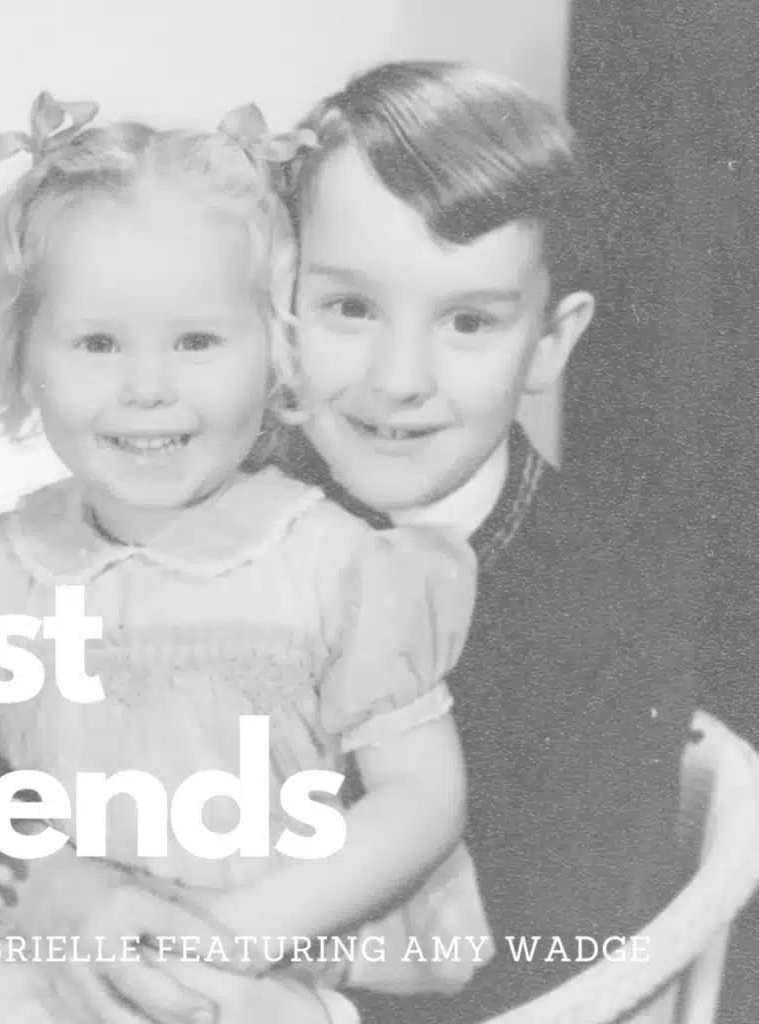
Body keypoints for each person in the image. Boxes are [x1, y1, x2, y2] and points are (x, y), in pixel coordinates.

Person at [0, 93, 493, 1024]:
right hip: (44, 943)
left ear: (277, 351)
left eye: (197, 341)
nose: (147, 387)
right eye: (97, 342)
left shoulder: (337, 564)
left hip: (257, 947)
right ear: (25, 359)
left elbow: (421, 796)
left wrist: (236, 933)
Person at [278, 60, 698, 1021]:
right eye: (350, 307)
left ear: (549, 342)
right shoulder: (228, 502)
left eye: (467, 321)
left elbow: (557, 968)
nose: (398, 377)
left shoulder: (606, 616)